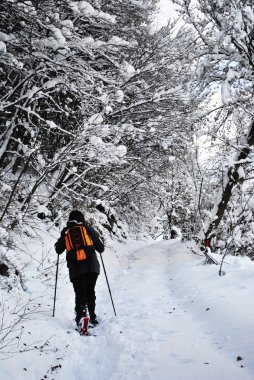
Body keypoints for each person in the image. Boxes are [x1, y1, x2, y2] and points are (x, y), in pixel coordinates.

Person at [54, 210, 104, 326]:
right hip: (92, 266)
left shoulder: (66, 231)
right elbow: (101, 248)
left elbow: (58, 250)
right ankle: (92, 317)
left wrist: (61, 238)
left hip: (75, 268)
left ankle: (81, 317)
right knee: (90, 291)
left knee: (80, 293)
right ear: (82, 219)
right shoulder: (88, 229)